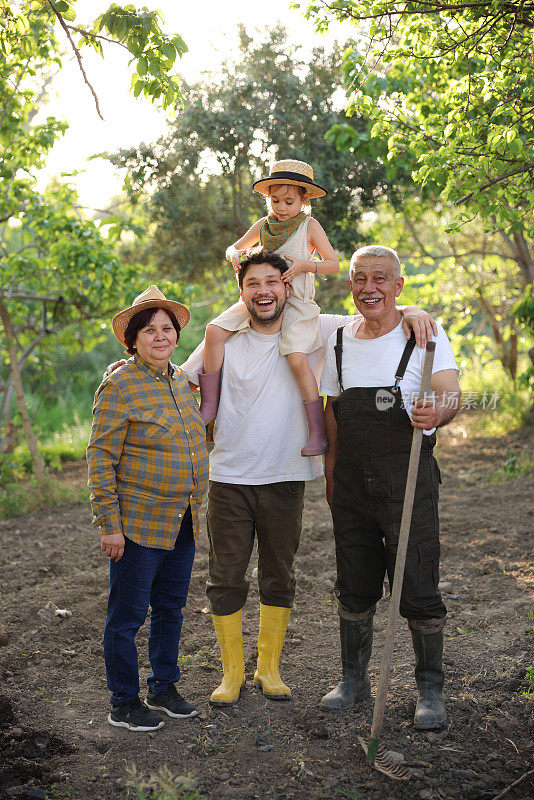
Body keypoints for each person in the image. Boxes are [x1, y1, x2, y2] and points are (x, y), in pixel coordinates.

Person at [180, 248, 437, 708]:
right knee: (225, 575)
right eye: (253, 284)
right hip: (229, 475)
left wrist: (416, 310)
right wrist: (135, 369)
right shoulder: (221, 337)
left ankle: (269, 668)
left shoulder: (318, 328)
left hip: (285, 474)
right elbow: (181, 380)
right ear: (241, 293)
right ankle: (232, 673)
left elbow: (374, 313)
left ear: (287, 287)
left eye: (272, 283)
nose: (263, 292)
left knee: (279, 573)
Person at [319, 245, 461, 730]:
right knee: (354, 581)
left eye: (380, 278)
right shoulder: (338, 339)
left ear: (398, 286)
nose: (369, 288)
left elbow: (449, 391)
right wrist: (330, 472)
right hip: (352, 484)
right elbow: (332, 414)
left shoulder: (424, 332)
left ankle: (430, 689)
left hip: (408, 479)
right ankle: (353, 680)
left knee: (418, 582)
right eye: (360, 279)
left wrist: (436, 412)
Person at [87, 285, 209, 732]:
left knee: (171, 609)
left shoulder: (181, 381)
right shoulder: (119, 384)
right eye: (150, 329)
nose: (161, 336)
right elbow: (100, 456)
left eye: (168, 328)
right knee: (127, 617)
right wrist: (109, 525)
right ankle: (123, 701)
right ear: (133, 339)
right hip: (138, 525)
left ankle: (163, 686)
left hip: (184, 519)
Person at [198, 159, 340, 457]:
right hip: (261, 299)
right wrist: (235, 255)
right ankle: (209, 405)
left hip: (297, 303)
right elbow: (232, 248)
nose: (282, 207)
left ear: (304, 199)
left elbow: (334, 264)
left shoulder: (309, 226)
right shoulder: (264, 225)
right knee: (214, 330)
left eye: (289, 201)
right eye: (275, 200)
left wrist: (305, 265)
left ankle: (316, 431)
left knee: (297, 358)